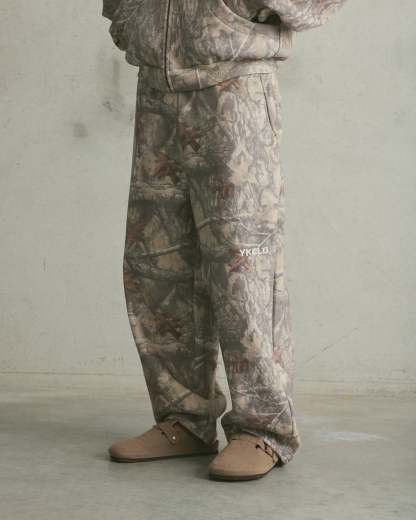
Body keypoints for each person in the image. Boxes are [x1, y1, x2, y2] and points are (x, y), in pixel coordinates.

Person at [102, 0, 348, 481]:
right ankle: (184, 419)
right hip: (157, 87)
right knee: (159, 263)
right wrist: (132, 19)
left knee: (244, 261)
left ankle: (264, 429)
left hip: (234, 83)